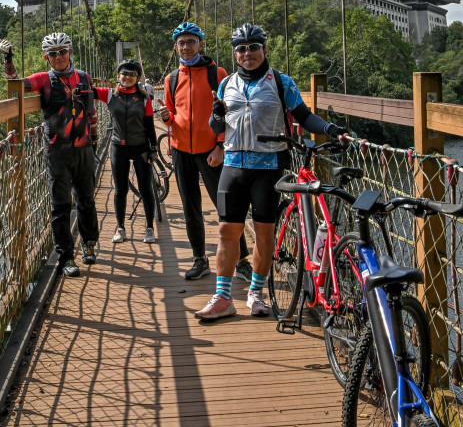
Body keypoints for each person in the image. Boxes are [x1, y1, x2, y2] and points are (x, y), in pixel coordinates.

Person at [195, 23, 350, 320]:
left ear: (265, 50)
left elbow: (304, 116)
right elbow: (216, 127)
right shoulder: (226, 84)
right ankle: (223, 297)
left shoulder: (281, 82)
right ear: (235, 54)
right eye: (241, 48)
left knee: (265, 234)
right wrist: (216, 115)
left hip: (268, 168)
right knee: (227, 231)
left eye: (253, 47)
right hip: (233, 166)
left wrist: (331, 130)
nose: (247, 53)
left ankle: (255, 294)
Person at [159, 22, 252, 282]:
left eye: (191, 41)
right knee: (190, 207)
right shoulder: (171, 78)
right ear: (175, 46)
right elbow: (172, 113)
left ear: (200, 44)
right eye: (181, 42)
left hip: (211, 150)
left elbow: (229, 112)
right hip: (181, 151)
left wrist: (220, 145)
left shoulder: (217, 73)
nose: (186, 47)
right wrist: (167, 119)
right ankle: (200, 259)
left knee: (227, 206)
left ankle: (242, 260)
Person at [1, 33, 100, 278]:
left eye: (62, 51)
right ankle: (66, 257)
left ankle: (89, 245)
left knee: (87, 200)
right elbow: (16, 84)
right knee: (61, 205)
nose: (58, 57)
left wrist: (95, 143)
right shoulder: (44, 79)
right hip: (57, 151)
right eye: (53, 53)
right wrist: (8, 59)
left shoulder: (85, 78)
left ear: (71, 52)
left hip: (84, 149)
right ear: (47, 57)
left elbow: (92, 113)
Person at [95, 59, 158, 244]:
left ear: (137, 77)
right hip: (118, 147)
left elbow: (149, 125)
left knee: (146, 189)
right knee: (120, 190)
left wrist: (153, 148)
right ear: (118, 76)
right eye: (124, 73)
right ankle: (120, 228)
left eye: (132, 74)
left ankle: (149, 228)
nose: (128, 77)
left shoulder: (144, 97)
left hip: (141, 147)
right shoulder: (109, 95)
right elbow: (84, 90)